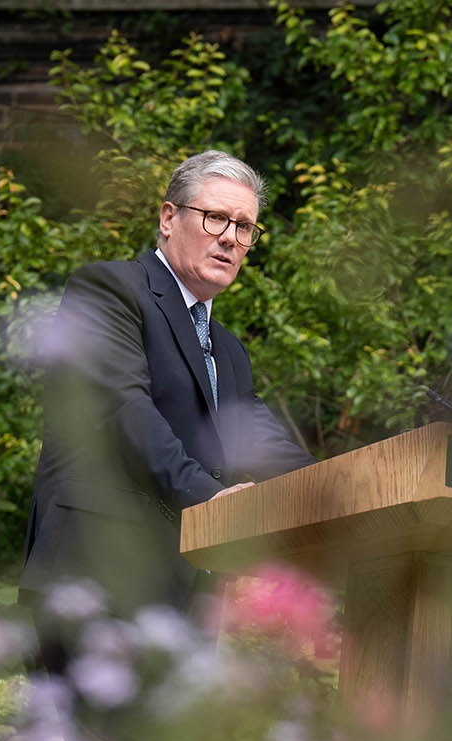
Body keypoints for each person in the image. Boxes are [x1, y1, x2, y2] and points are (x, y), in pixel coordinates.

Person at [20, 150, 313, 662]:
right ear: (168, 218)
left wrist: (342, 487)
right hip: (94, 578)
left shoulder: (230, 350)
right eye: (216, 217)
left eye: (245, 227)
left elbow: (261, 442)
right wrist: (211, 501)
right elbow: (123, 409)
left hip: (182, 599)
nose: (231, 238)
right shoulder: (109, 289)